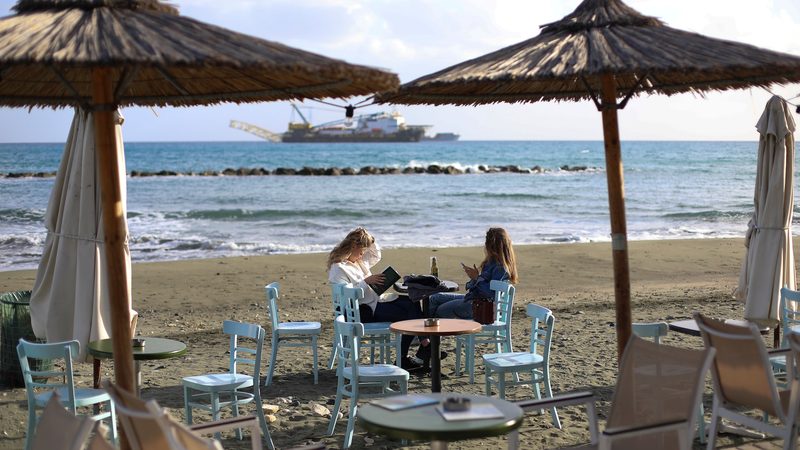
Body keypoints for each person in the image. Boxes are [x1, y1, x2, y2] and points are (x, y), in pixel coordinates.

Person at [327, 227, 424, 370]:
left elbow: (376, 255)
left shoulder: (358, 261)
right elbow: (347, 295)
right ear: (353, 246)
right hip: (361, 312)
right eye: (361, 251)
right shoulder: (339, 268)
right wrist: (366, 281)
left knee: (413, 301)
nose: (363, 254)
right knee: (409, 313)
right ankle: (419, 347)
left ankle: (422, 344)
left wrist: (369, 237)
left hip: (375, 303)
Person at [429, 227, 518, 319]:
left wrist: (476, 278)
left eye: (486, 242)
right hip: (475, 299)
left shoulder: (500, 268)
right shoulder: (490, 262)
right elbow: (477, 287)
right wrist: (474, 278)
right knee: (434, 298)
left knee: (440, 310)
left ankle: (430, 331)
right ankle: (429, 330)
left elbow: (492, 295)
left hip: (482, 307)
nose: (485, 246)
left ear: (492, 246)